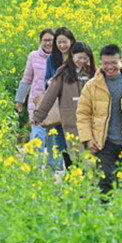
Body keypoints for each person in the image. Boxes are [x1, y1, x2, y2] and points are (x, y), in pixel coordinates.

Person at [76, 44, 122, 198]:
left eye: (113, 63)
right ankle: (105, 217)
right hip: (104, 143)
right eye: (105, 63)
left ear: (120, 61)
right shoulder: (92, 86)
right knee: (104, 181)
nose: (110, 67)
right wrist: (88, 139)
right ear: (100, 63)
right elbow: (83, 114)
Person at [32, 42, 97, 170]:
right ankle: (74, 184)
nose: (82, 61)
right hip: (70, 121)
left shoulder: (92, 73)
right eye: (79, 57)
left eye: (85, 58)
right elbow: (50, 95)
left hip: (91, 122)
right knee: (75, 157)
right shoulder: (63, 73)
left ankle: (89, 186)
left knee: (91, 157)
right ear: (72, 55)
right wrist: (39, 115)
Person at [15, 28, 55, 154]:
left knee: (54, 140)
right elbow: (27, 78)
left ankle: (53, 170)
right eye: (45, 40)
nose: (48, 43)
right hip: (37, 103)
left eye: (51, 40)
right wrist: (19, 99)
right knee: (37, 135)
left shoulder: (60, 58)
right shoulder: (33, 56)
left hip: (55, 104)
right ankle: (32, 169)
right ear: (40, 41)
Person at [44, 26, 76, 171]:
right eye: (59, 43)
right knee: (59, 140)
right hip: (57, 107)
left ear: (71, 41)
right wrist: (50, 82)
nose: (62, 46)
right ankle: (61, 172)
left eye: (65, 42)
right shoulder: (52, 59)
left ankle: (72, 174)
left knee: (73, 141)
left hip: (73, 106)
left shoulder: (78, 57)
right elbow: (45, 79)